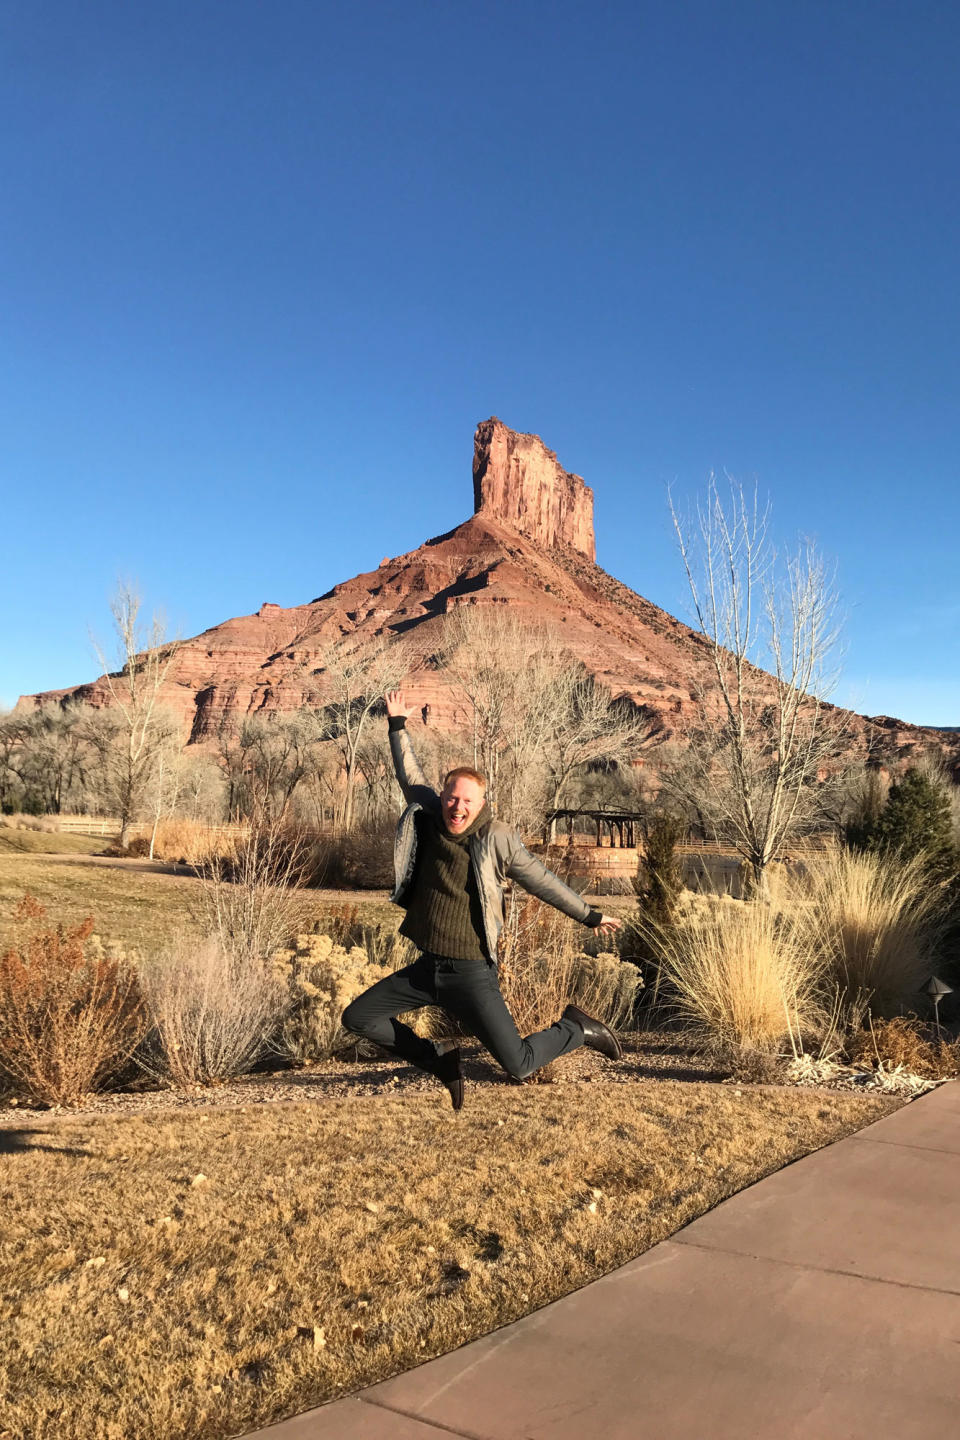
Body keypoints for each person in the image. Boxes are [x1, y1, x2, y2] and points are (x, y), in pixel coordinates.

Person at [342, 690, 624, 1109]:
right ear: (442, 796)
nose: (457, 808)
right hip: (427, 968)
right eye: (452, 798)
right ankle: (436, 1060)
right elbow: (408, 774)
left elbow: (541, 880)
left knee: (520, 1064)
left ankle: (576, 1029)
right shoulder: (430, 813)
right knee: (358, 1018)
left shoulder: (497, 838)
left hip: (471, 973)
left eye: (467, 802)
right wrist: (397, 726)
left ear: (482, 804)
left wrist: (589, 915)